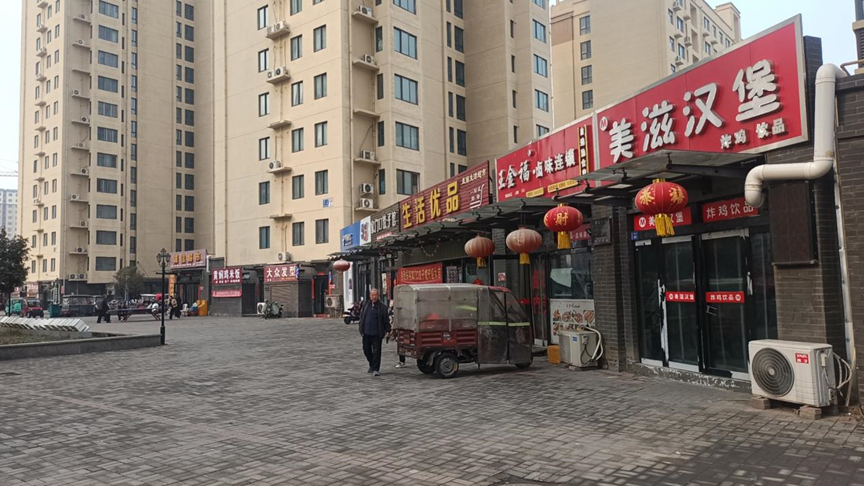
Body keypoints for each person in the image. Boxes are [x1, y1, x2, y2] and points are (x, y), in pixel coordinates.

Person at [358, 288, 390, 377]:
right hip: (366, 332)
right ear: (370, 296)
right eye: (372, 295)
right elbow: (362, 317)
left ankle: (376, 369)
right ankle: (372, 363)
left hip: (377, 333)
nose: (374, 297)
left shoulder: (382, 307)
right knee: (366, 350)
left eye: (375, 295)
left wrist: (388, 330)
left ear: (378, 296)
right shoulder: (366, 305)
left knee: (377, 351)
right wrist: (361, 327)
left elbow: (386, 321)